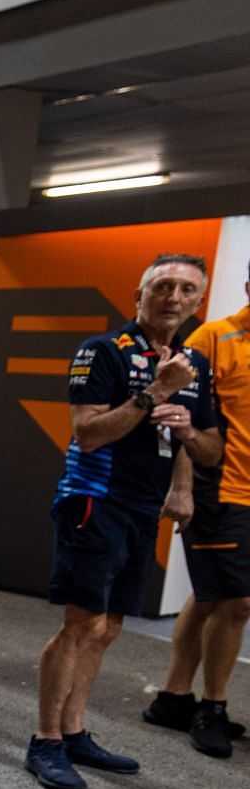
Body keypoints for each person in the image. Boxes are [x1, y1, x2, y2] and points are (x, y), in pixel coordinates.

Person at [25, 254, 222, 789]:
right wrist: (155, 393)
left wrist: (183, 462)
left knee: (109, 628)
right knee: (80, 624)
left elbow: (208, 448)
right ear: (140, 295)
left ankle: (74, 730)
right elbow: (88, 433)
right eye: (162, 286)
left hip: (143, 508)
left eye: (186, 289)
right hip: (94, 499)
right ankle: (45, 740)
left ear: (198, 302)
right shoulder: (104, 351)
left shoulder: (193, 365)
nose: (174, 297)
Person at [148, 268, 250, 758]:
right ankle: (212, 706)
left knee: (210, 595)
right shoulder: (214, 339)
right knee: (236, 602)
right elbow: (187, 423)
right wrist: (182, 487)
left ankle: (171, 698)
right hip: (221, 488)